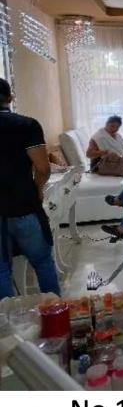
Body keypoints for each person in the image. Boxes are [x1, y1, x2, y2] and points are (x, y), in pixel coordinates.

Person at [0, 78, 60, 299]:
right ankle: (54, 313)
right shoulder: (27, 125)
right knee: (42, 263)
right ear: (10, 97)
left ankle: (8, 319)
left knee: (1, 271)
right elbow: (43, 169)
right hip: (24, 205)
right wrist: (38, 188)